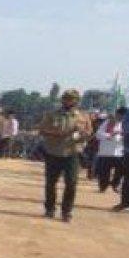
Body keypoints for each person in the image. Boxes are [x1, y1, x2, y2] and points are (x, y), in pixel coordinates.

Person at [38, 89, 91, 222]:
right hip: (53, 153)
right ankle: (50, 208)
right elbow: (42, 130)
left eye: (72, 99)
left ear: (77, 101)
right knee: (51, 183)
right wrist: (60, 133)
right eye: (66, 98)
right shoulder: (52, 114)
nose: (68, 101)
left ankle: (66, 211)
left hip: (72, 153)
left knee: (71, 183)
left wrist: (82, 134)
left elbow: (89, 133)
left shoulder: (83, 116)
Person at [94, 107, 126, 193]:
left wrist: (119, 137)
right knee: (104, 172)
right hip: (106, 152)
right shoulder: (108, 122)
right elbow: (98, 134)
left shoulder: (126, 124)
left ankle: (115, 185)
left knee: (121, 171)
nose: (121, 117)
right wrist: (110, 135)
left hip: (119, 152)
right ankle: (103, 187)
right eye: (119, 115)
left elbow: (128, 137)